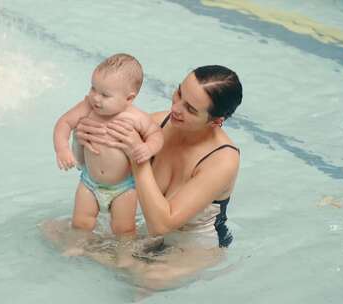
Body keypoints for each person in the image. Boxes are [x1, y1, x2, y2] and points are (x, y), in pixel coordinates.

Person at [74, 65, 243, 290]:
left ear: (215, 121)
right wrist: (83, 135)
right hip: (149, 231)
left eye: (191, 109)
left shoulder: (222, 160)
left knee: (151, 279)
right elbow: (100, 166)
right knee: (56, 231)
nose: (176, 108)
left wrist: (138, 158)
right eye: (180, 93)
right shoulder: (160, 123)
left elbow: (161, 225)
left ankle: (127, 265)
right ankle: (125, 263)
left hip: (193, 244)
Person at [53, 53, 163, 236]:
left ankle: (125, 255)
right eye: (93, 88)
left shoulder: (136, 117)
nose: (95, 98)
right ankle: (77, 247)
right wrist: (62, 149)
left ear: (129, 98)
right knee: (81, 222)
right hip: (90, 182)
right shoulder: (87, 106)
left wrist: (148, 148)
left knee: (124, 228)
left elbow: (156, 134)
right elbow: (64, 123)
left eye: (105, 95)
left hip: (123, 188)